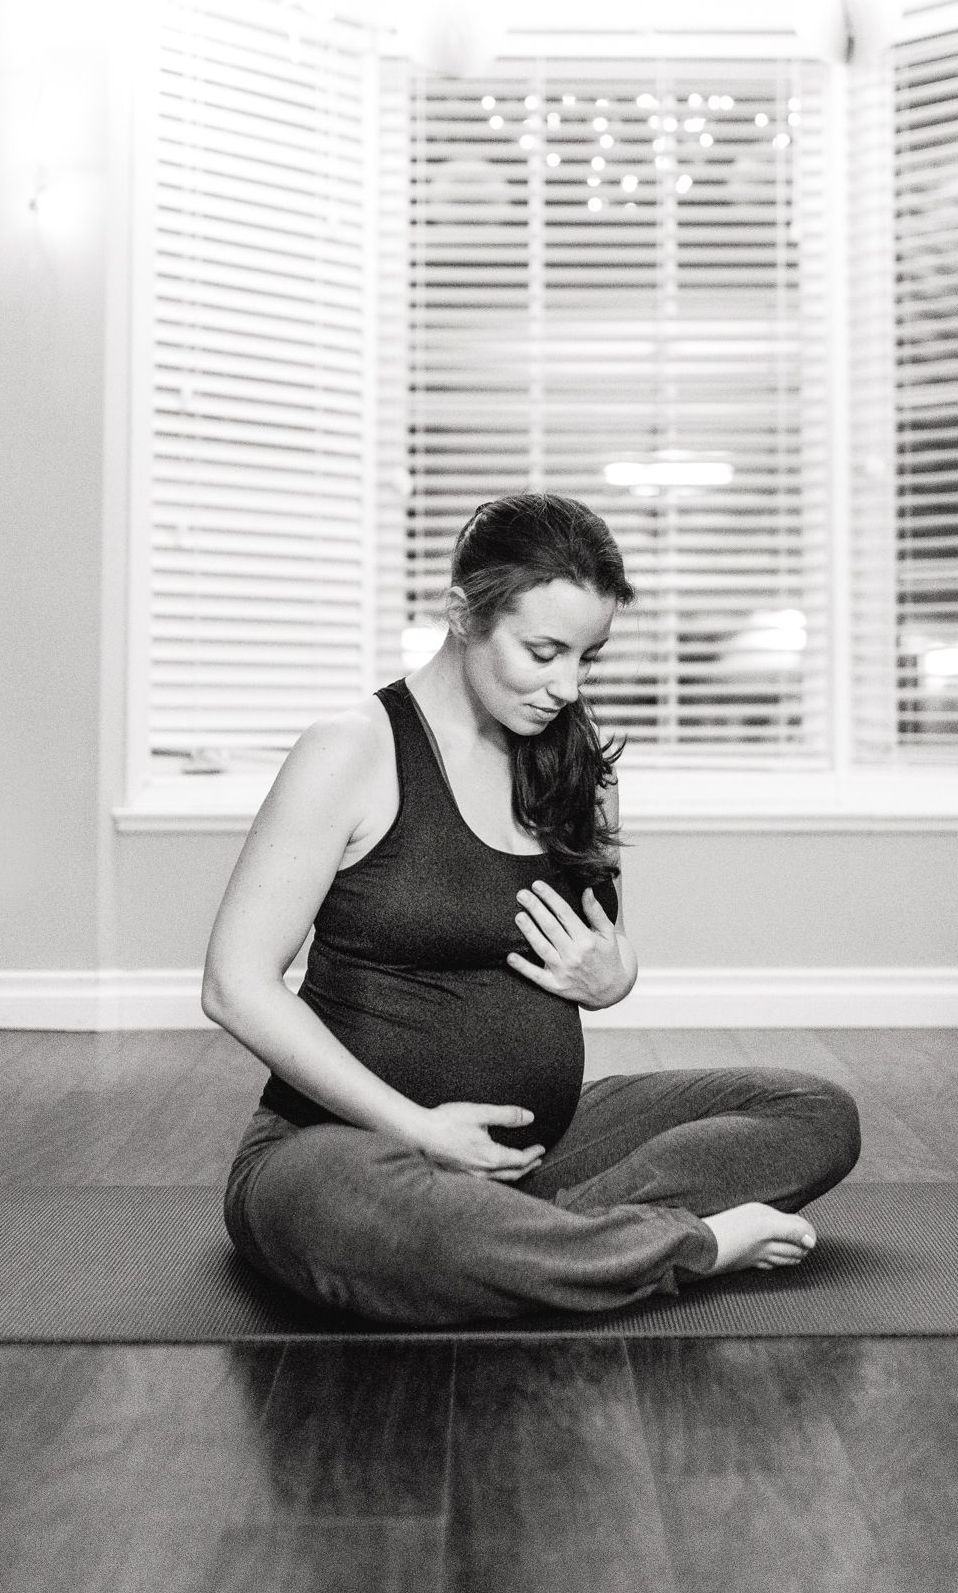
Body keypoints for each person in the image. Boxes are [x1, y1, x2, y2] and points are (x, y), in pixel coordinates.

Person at [203, 492, 861, 1326]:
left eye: (587, 658)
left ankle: (532, 1242)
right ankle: (685, 1247)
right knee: (360, 1209)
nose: (565, 686)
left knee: (812, 1114)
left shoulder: (575, 762)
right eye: (542, 650)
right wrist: (418, 1131)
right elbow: (234, 983)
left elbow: (604, 950)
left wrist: (616, 975)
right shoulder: (352, 749)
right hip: (344, 1151)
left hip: (545, 1152)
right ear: (462, 613)